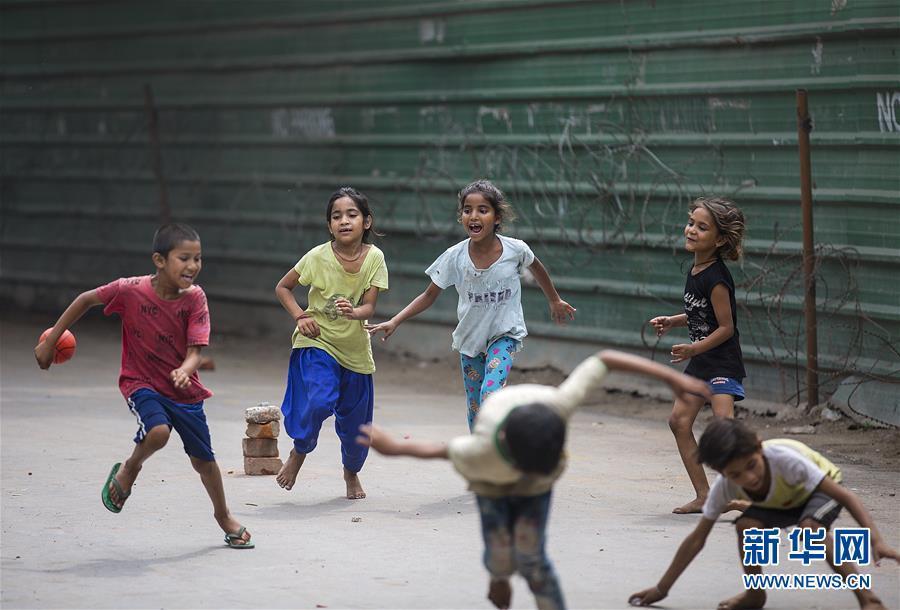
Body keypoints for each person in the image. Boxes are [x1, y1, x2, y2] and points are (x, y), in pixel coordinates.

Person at [358, 349, 711, 610]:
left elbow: (605, 360)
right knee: (500, 553)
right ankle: (498, 575)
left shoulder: (559, 404)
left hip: (535, 488)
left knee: (533, 559)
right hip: (492, 485)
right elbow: (435, 449)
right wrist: (392, 448)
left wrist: (672, 378)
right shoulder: (481, 448)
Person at [33, 223, 254, 548]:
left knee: (204, 462)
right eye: (184, 258)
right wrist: (50, 341)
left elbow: (196, 353)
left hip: (185, 391)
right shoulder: (130, 289)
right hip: (141, 382)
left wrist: (185, 369)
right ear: (160, 260)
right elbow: (84, 300)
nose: (193, 266)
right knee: (158, 432)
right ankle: (130, 469)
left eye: (198, 258)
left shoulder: (195, 298)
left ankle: (224, 516)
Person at [367, 179, 575, 431]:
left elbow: (537, 267)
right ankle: (482, 452)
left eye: (483, 210)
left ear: (497, 217)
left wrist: (554, 299)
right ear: (461, 216)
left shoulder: (515, 250)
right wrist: (395, 320)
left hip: (504, 335)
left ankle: (506, 438)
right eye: (468, 210)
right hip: (470, 341)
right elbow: (428, 295)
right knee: (476, 409)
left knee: (490, 394)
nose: (474, 216)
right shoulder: (454, 256)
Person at [629, 418, 899, 610]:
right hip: (781, 499)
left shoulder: (787, 460)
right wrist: (661, 589)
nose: (749, 478)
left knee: (811, 529)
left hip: (818, 488)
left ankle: (869, 599)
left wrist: (877, 540)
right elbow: (696, 540)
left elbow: (847, 497)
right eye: (736, 474)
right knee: (745, 525)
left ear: (759, 448)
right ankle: (755, 593)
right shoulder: (726, 486)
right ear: (722, 473)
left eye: (751, 465)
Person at [274, 186, 388, 500]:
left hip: (355, 353)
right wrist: (300, 316)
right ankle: (299, 451)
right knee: (318, 400)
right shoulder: (316, 256)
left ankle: (350, 473)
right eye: (336, 216)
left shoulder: (374, 258)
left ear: (366, 221)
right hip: (317, 343)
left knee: (356, 431)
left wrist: (355, 312)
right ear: (329, 225)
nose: (344, 221)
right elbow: (283, 288)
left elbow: (369, 308)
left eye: (352, 214)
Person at [649, 196, 748, 514]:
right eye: (691, 222)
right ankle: (705, 495)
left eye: (701, 227)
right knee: (679, 421)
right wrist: (674, 320)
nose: (691, 230)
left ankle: (749, 494)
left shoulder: (717, 277)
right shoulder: (696, 269)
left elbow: (725, 328)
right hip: (702, 361)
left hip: (721, 363)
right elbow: (697, 311)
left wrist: (694, 347)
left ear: (719, 239)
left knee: (724, 429)